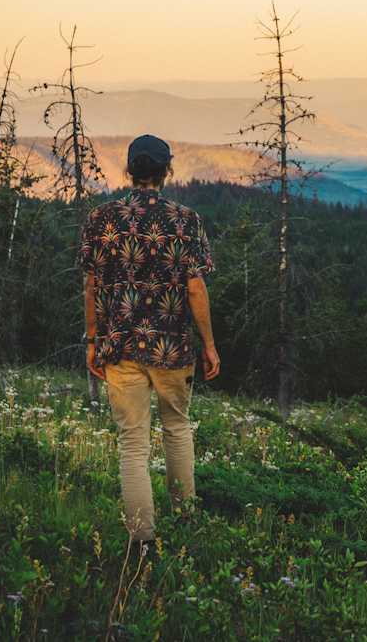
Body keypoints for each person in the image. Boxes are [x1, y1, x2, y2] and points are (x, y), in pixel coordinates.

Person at [78, 134, 221, 550]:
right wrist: (209, 345)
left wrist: (92, 340)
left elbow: (91, 286)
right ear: (166, 171)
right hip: (172, 347)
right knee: (177, 428)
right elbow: (195, 289)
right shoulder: (185, 221)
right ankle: (185, 521)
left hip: (119, 346)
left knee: (133, 444)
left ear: (129, 172)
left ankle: (141, 541)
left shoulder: (100, 219)